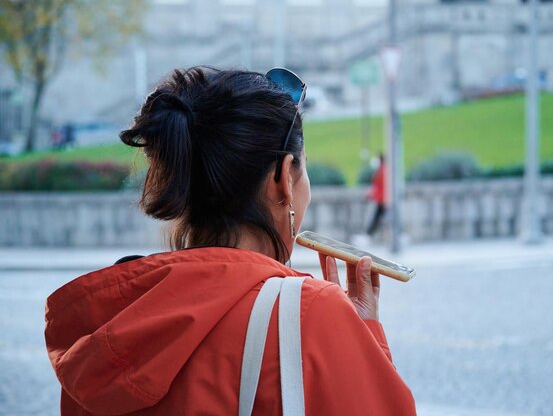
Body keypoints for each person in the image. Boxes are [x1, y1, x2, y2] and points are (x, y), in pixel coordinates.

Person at [44, 67, 416, 416]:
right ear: (284, 179)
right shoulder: (313, 314)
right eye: (303, 171)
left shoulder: (111, 320)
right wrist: (363, 335)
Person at [366, 153, 388, 236]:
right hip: (382, 199)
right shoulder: (383, 170)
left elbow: (378, 186)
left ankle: (369, 234)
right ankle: (370, 234)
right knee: (378, 218)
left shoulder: (382, 171)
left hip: (382, 199)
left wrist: (371, 195)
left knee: (377, 218)